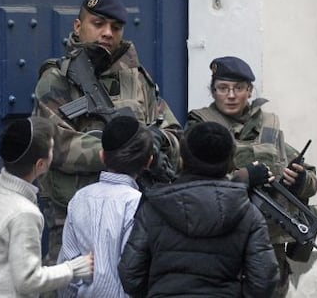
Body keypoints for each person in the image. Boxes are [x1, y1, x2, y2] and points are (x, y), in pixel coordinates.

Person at [32, 0, 181, 271]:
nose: (107, 33)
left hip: (136, 210)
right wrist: (123, 150)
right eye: (98, 24)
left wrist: (159, 139)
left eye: (115, 27)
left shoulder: (137, 80)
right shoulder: (57, 79)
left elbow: (173, 131)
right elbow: (55, 142)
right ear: (79, 26)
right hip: (75, 212)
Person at [185, 56, 317, 298]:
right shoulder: (201, 126)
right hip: (222, 240)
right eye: (223, 88)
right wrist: (242, 177)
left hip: (269, 243)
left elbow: (310, 179)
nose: (231, 95)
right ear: (213, 91)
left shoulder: (269, 126)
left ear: (249, 91)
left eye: (238, 88)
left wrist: (299, 180)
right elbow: (191, 182)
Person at [118, 121, 280, 298]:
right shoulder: (248, 213)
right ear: (229, 163)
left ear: (182, 159)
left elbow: (130, 274)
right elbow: (264, 280)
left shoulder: (154, 207)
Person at [0, 117, 93, 298]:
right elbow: (29, 281)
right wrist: (73, 268)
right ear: (40, 165)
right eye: (51, 149)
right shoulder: (26, 213)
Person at [57, 116, 153, 298]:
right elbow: (136, 272)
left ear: (101, 156)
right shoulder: (139, 205)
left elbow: (68, 269)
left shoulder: (79, 199)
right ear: (149, 161)